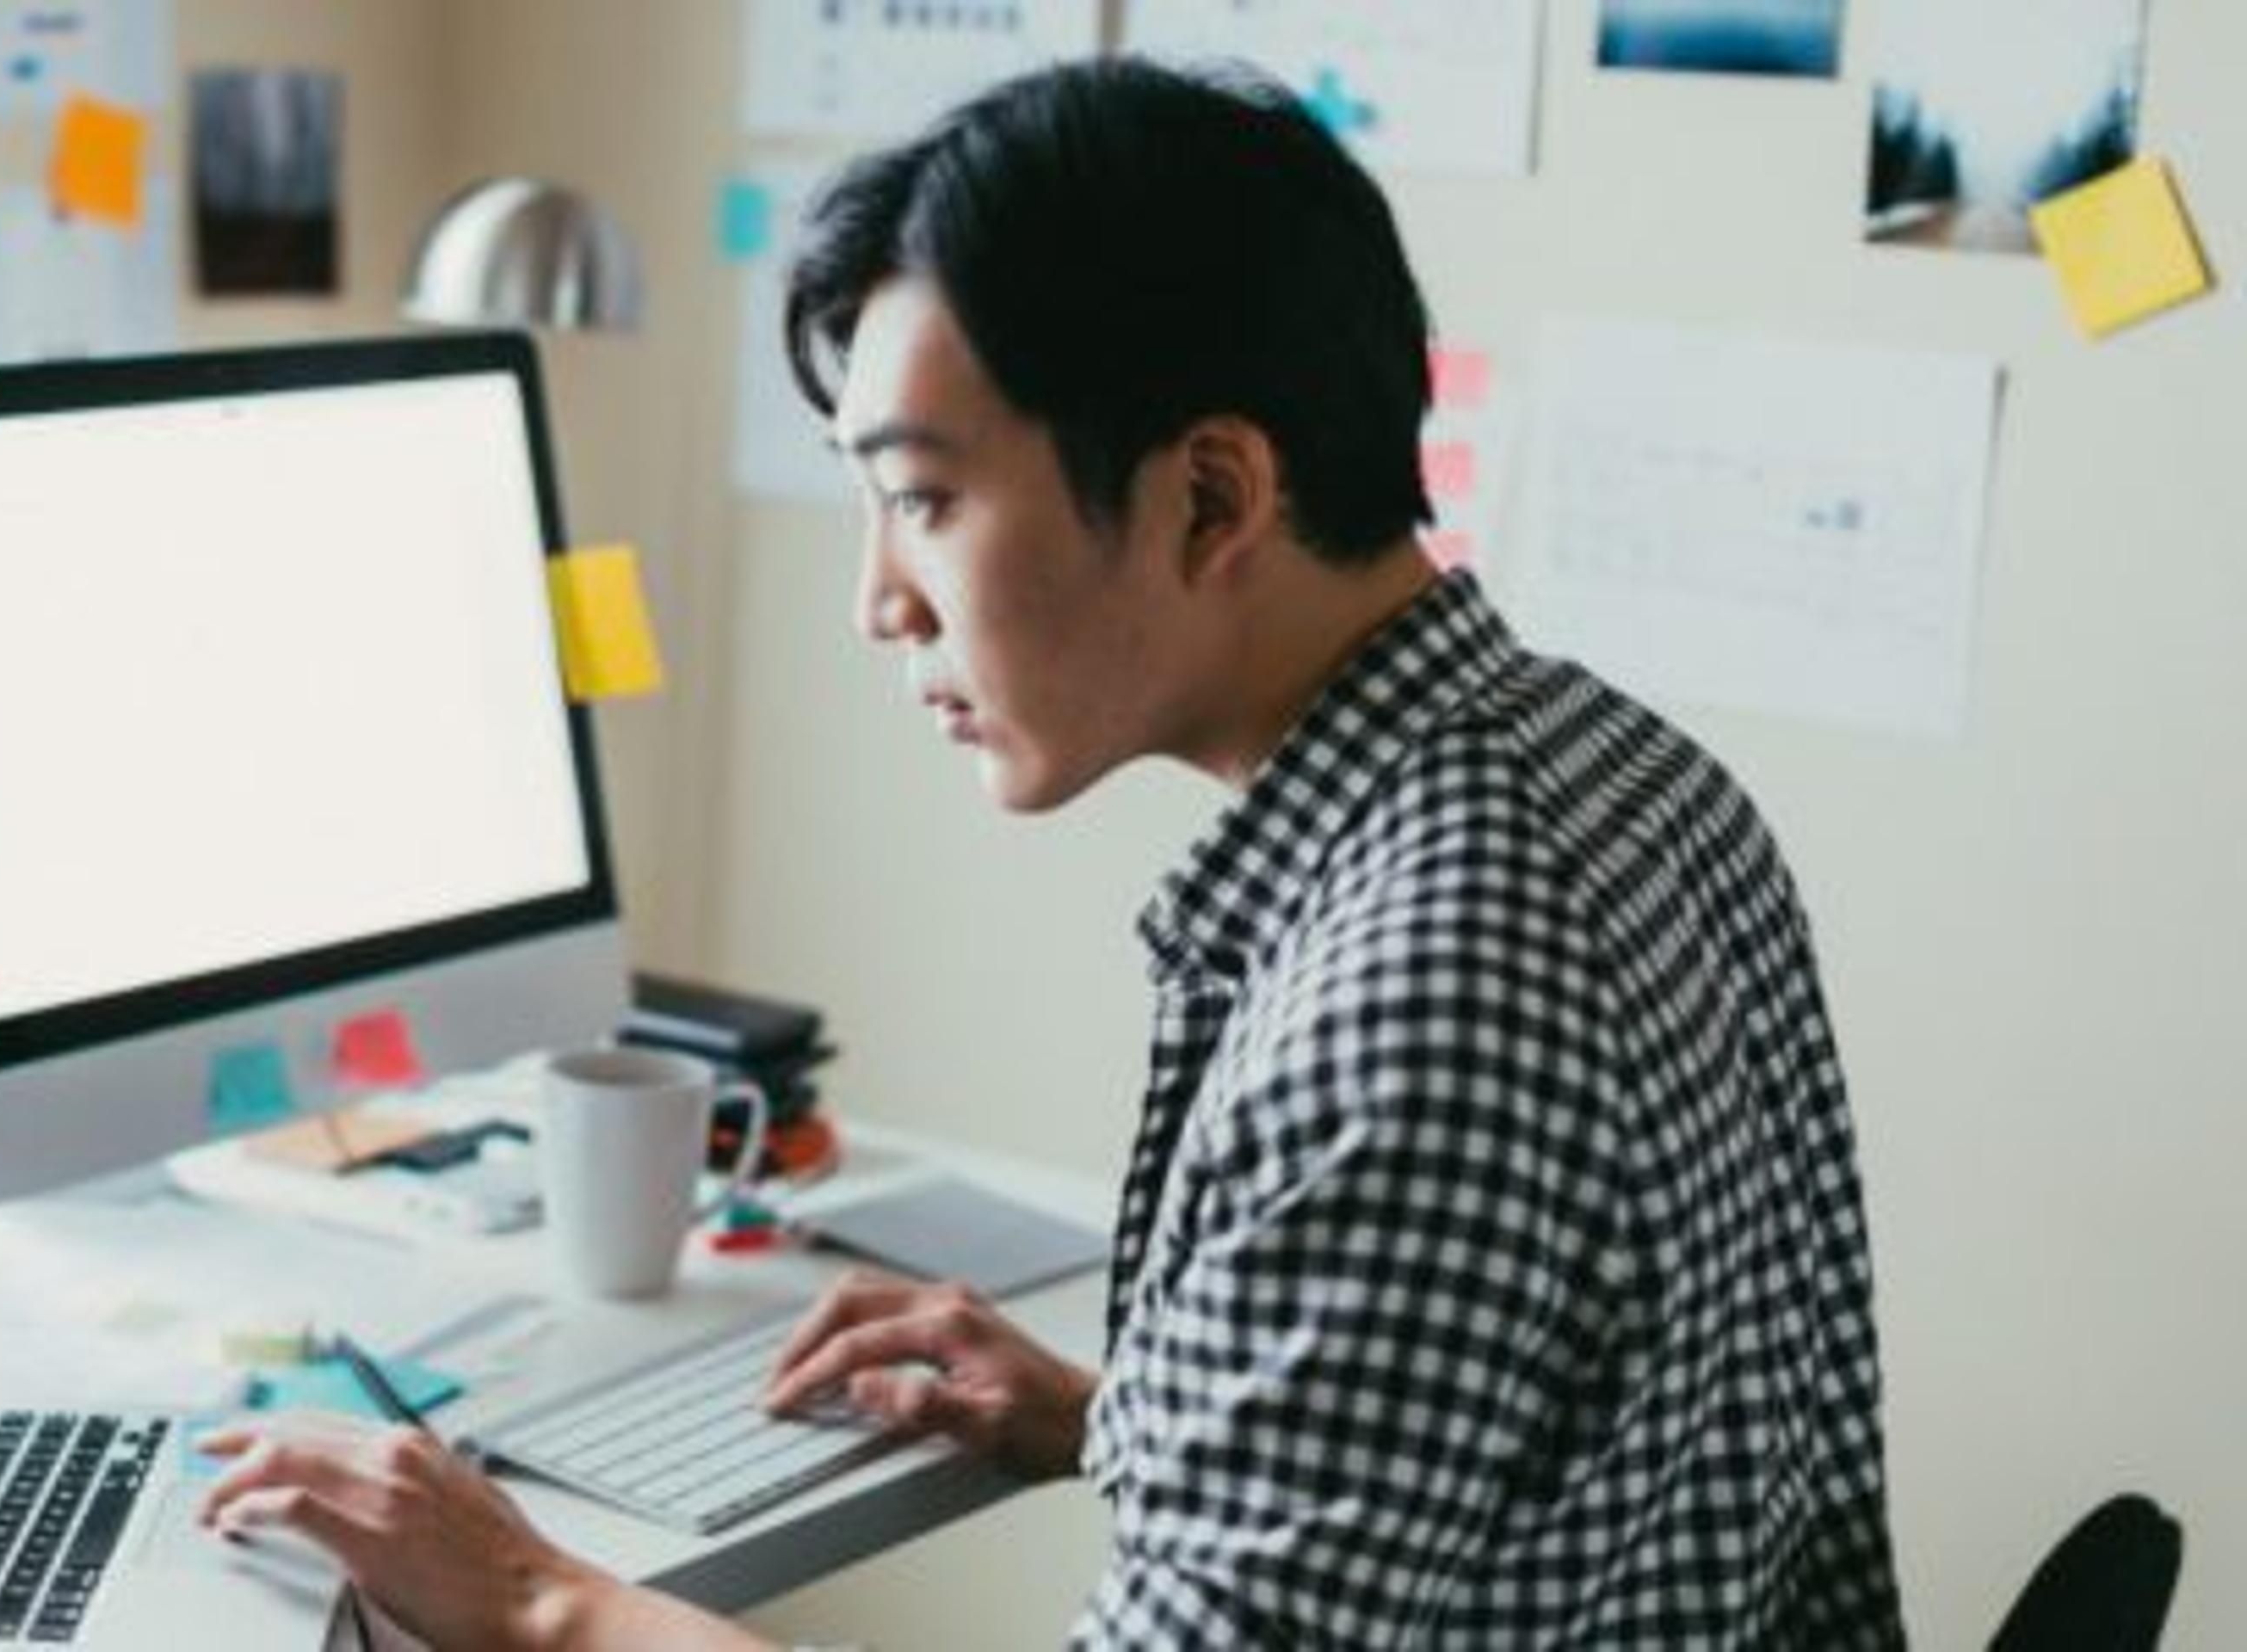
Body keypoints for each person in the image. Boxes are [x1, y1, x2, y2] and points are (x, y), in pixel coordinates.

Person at [197, 56, 1905, 1649]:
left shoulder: (1419, 991)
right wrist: (1135, 1417)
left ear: (1213, 499)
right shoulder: (1622, 772)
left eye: (925, 499)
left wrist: (535, 1597)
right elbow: (1590, 1449)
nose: (881, 598)